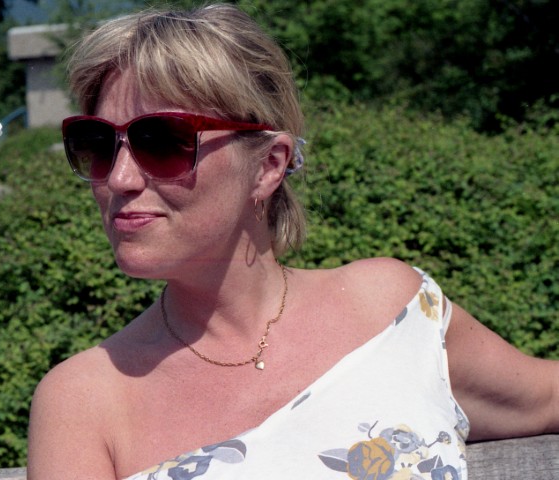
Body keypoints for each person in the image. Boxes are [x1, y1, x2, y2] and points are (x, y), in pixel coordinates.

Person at [27, 4, 559, 479]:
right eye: (97, 144)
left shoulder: (394, 314)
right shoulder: (84, 403)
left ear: (268, 166)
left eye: (162, 141)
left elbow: (545, 398)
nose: (119, 179)